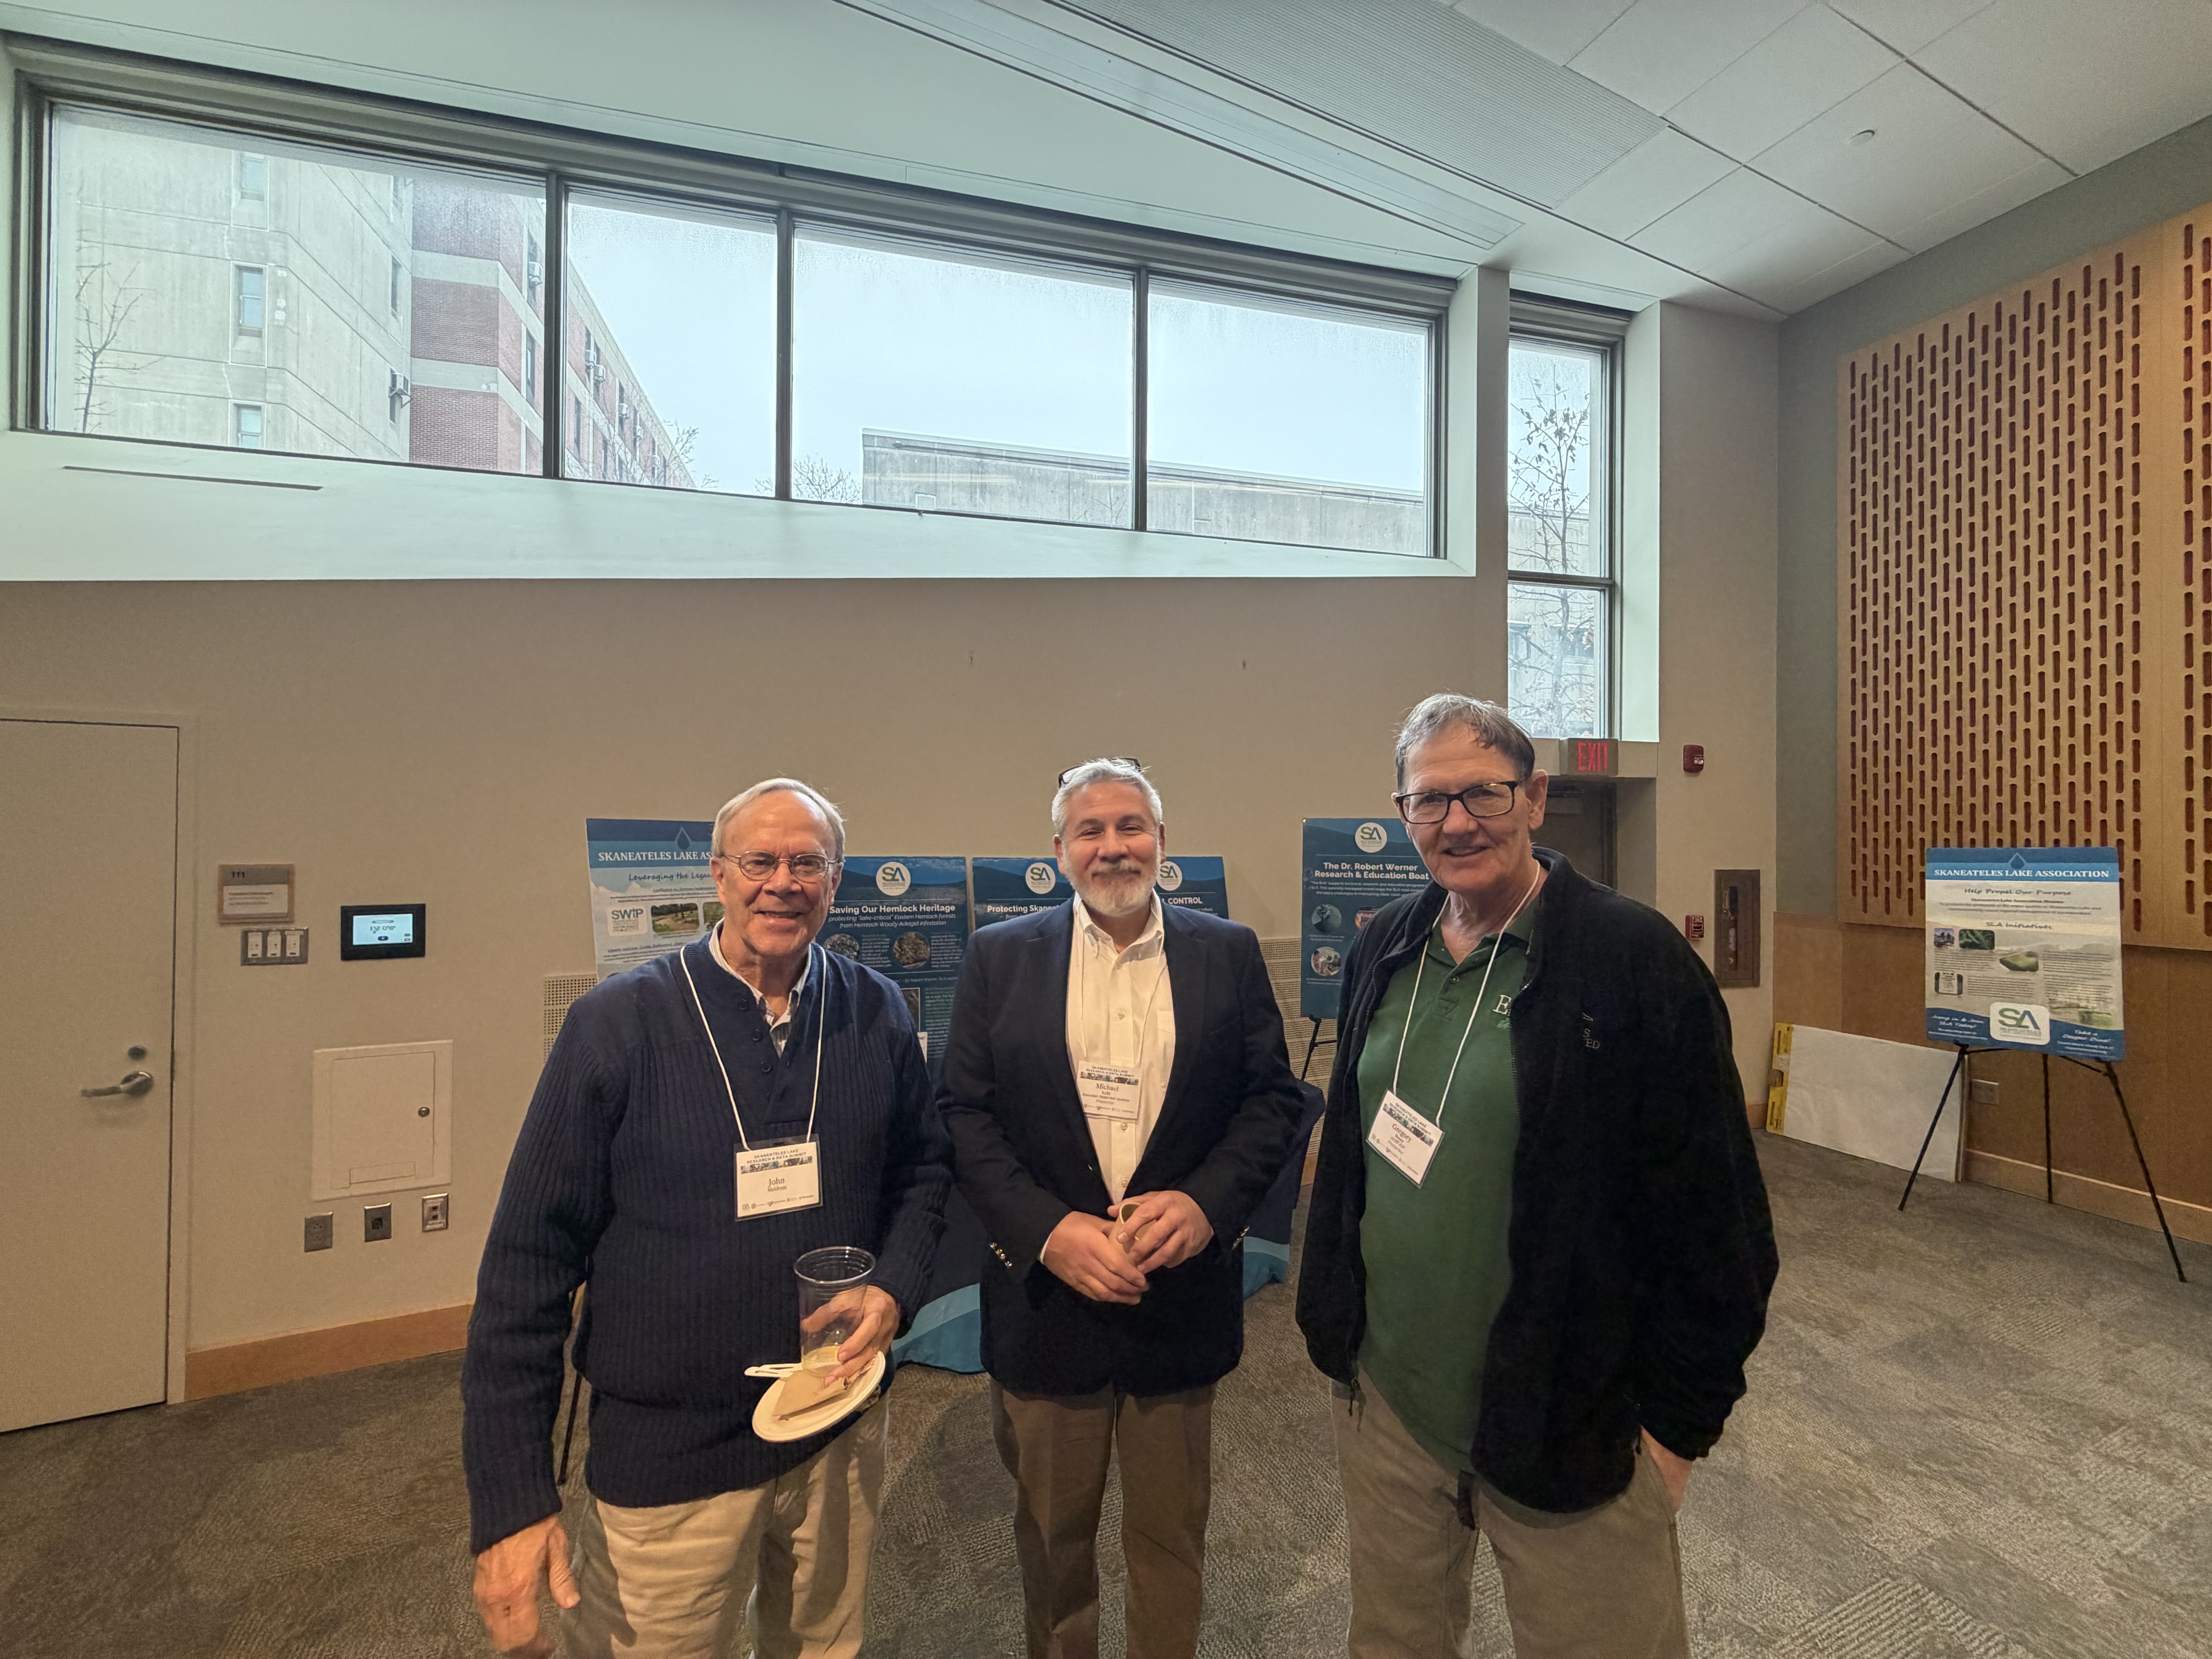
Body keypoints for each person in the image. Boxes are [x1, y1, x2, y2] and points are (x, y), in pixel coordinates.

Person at [1297, 696, 1777, 1659]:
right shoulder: (1386, 945)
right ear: (1403, 815)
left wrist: (1677, 1435)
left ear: (1536, 798)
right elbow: (1353, 1154)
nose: (1458, 823)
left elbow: (1719, 1222)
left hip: (1572, 1419)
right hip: (1390, 1399)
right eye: (1429, 801)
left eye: (1484, 793)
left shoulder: (1634, 961)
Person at [463, 778, 950, 1659]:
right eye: (759, 861)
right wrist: (511, 1498)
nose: (783, 882)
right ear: (719, 875)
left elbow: (923, 1170)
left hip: (835, 1416)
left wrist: (895, 1289)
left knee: (823, 1647)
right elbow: (528, 1263)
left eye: (808, 863)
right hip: (673, 1451)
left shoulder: (876, 1007)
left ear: (836, 881)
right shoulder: (617, 1025)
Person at [939, 758, 1307, 1659]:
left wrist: (1206, 1205)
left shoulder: (1227, 952)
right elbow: (965, 1116)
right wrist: (1048, 1231)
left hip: (1176, 1303)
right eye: (1091, 830)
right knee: (1052, 1545)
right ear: (1059, 850)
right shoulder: (999, 956)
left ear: (1162, 842)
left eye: (1131, 826)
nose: (1113, 847)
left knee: (1171, 1541)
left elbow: (1272, 1101)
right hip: (1047, 1306)